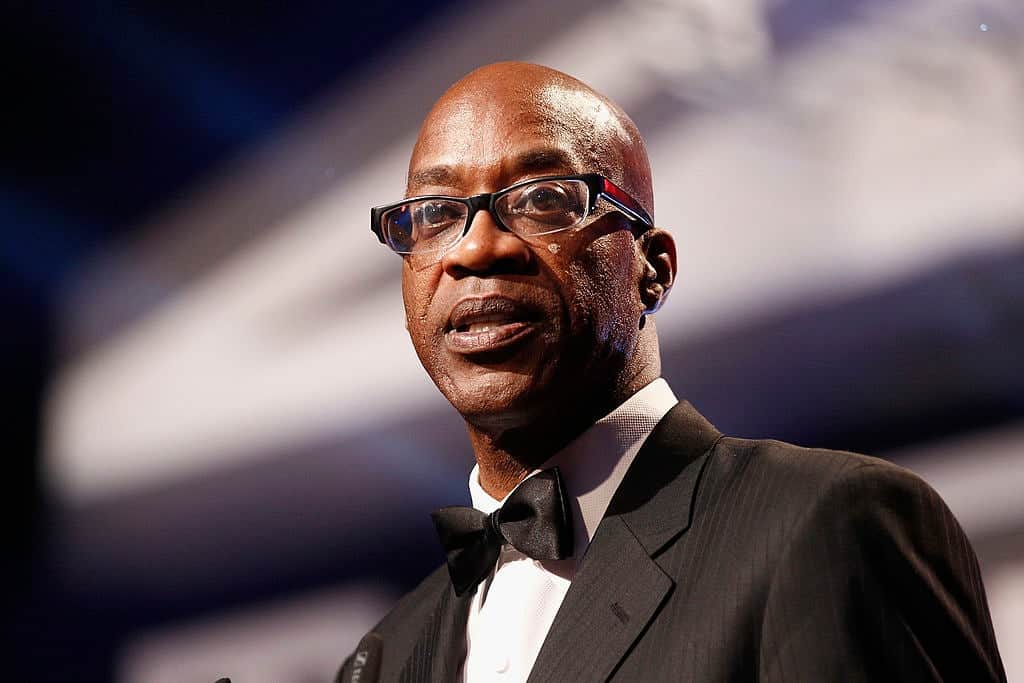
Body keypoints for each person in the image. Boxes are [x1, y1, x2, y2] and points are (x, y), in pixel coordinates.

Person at [339, 62, 1005, 683]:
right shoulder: (383, 657)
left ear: (651, 269)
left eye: (544, 198)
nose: (476, 248)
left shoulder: (828, 524)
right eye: (435, 215)